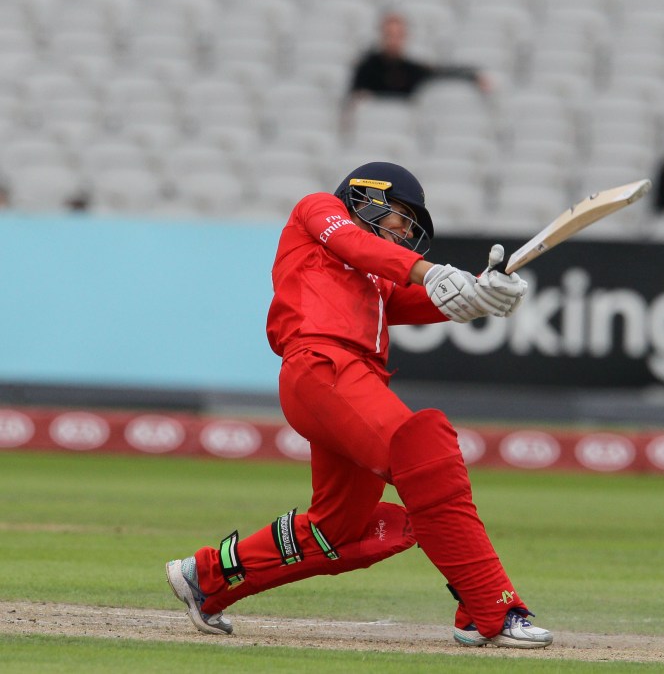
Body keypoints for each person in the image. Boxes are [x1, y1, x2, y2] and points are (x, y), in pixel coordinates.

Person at [165, 161, 553, 649]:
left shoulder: (375, 278)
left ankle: (207, 578)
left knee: (341, 531)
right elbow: (354, 243)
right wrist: (431, 272)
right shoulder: (318, 210)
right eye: (402, 217)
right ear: (368, 197)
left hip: (349, 382)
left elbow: (420, 300)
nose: (406, 233)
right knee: (424, 450)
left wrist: (479, 292)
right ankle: (491, 607)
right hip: (320, 366)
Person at [347, 12, 491, 101]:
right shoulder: (367, 68)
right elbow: (354, 97)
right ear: (381, 35)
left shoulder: (411, 70)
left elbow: (442, 72)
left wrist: (472, 76)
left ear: (405, 37)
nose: (393, 40)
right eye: (389, 35)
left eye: (398, 35)